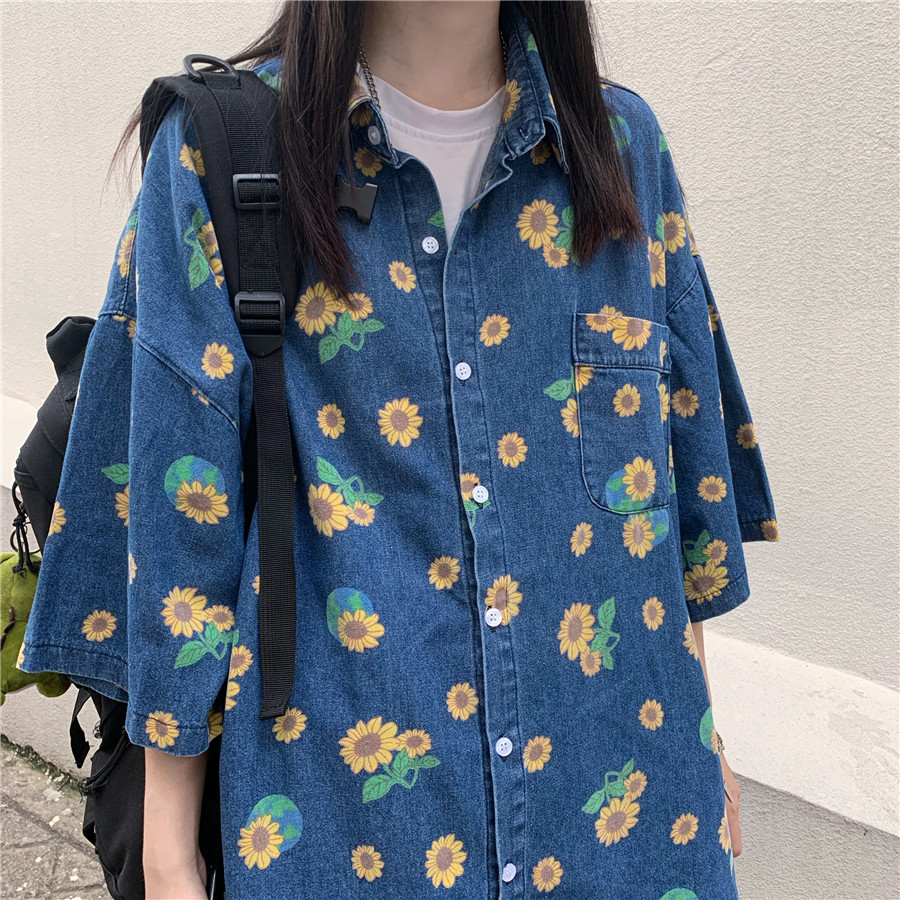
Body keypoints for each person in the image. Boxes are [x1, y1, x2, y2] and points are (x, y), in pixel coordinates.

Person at [20, 1, 780, 897]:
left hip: (629, 821)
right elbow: (178, 529)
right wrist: (167, 854)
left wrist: (705, 734)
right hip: (351, 831)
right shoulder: (224, 154)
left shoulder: (621, 149)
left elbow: (671, 496)